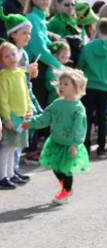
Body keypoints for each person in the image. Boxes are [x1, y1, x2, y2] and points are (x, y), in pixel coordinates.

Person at [21, 68, 88, 204]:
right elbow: (45, 117)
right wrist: (32, 123)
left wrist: (75, 144)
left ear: (76, 87)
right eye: (60, 84)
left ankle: (66, 190)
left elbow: (79, 127)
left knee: (67, 169)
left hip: (69, 144)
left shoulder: (78, 108)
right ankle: (65, 188)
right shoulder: (57, 104)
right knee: (56, 168)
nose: (61, 87)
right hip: (56, 142)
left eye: (66, 84)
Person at [77, 18, 107, 157]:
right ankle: (101, 147)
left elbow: (81, 66)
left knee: (87, 117)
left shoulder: (88, 47)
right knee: (103, 118)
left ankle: (86, 145)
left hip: (89, 86)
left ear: (98, 29)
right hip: (105, 87)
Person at [0, 42, 32, 189]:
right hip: (11, 116)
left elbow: (26, 93)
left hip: (21, 115)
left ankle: (11, 173)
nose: (11, 58)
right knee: (6, 147)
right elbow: (3, 98)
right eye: (6, 56)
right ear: (1, 60)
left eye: (13, 54)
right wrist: (6, 118)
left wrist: (29, 110)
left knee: (14, 147)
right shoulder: (3, 76)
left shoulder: (20, 73)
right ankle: (2, 176)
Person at [45, 41, 71, 106]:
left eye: (67, 52)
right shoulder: (52, 68)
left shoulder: (64, 68)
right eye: (64, 52)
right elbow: (49, 85)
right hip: (54, 100)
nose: (67, 55)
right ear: (55, 55)